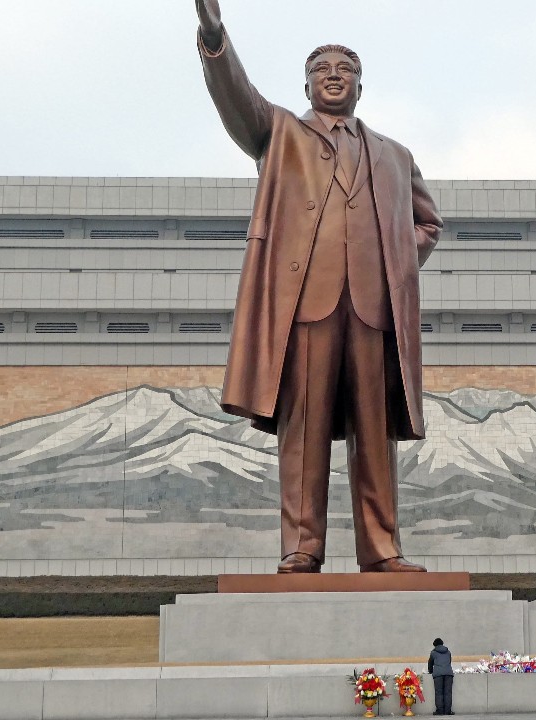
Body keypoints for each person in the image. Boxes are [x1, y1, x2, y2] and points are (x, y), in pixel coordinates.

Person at [194, 1, 443, 574]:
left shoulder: (394, 154)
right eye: (323, 69)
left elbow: (428, 224)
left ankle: (382, 550)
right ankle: (303, 546)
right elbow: (237, 98)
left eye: (345, 69)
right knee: (302, 430)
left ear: (361, 86)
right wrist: (214, 38)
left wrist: (399, 264)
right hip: (307, 305)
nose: (334, 75)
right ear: (306, 83)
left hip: (373, 311)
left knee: (374, 434)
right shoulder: (279, 132)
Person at [427, 637, 454, 715]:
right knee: (448, 692)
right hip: (448, 674)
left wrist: (430, 671)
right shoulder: (448, 652)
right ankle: (448, 711)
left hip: (438, 674)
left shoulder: (433, 653)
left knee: (439, 692)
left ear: (435, 645)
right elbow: (449, 661)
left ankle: (440, 711)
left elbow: (430, 664)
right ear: (442, 644)